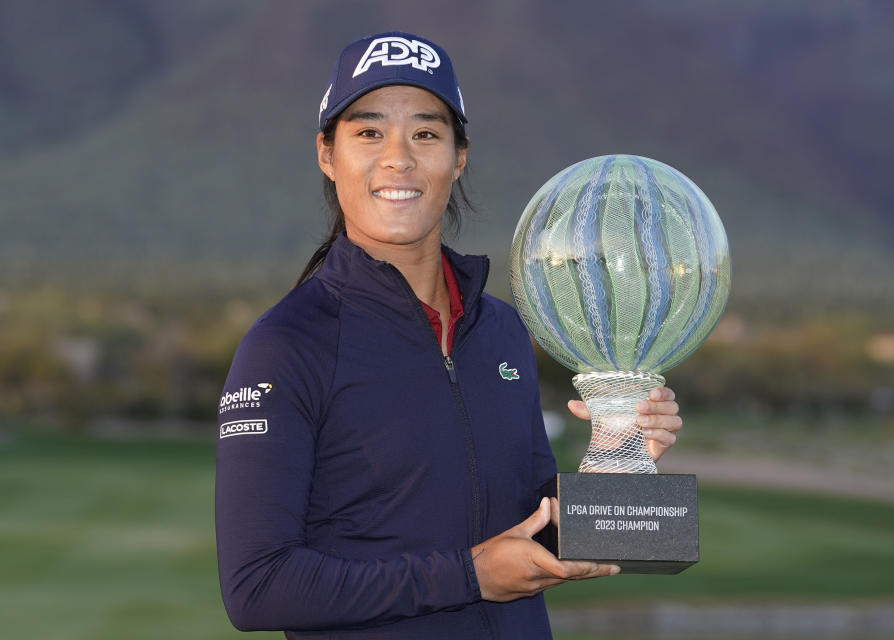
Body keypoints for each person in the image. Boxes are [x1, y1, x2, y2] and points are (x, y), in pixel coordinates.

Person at [215, 31, 683, 639]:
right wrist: (469, 577)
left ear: (459, 156)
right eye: (368, 132)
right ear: (328, 155)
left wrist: (619, 462)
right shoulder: (287, 344)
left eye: (427, 134)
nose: (399, 158)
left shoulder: (502, 330)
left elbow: (535, 528)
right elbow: (257, 589)